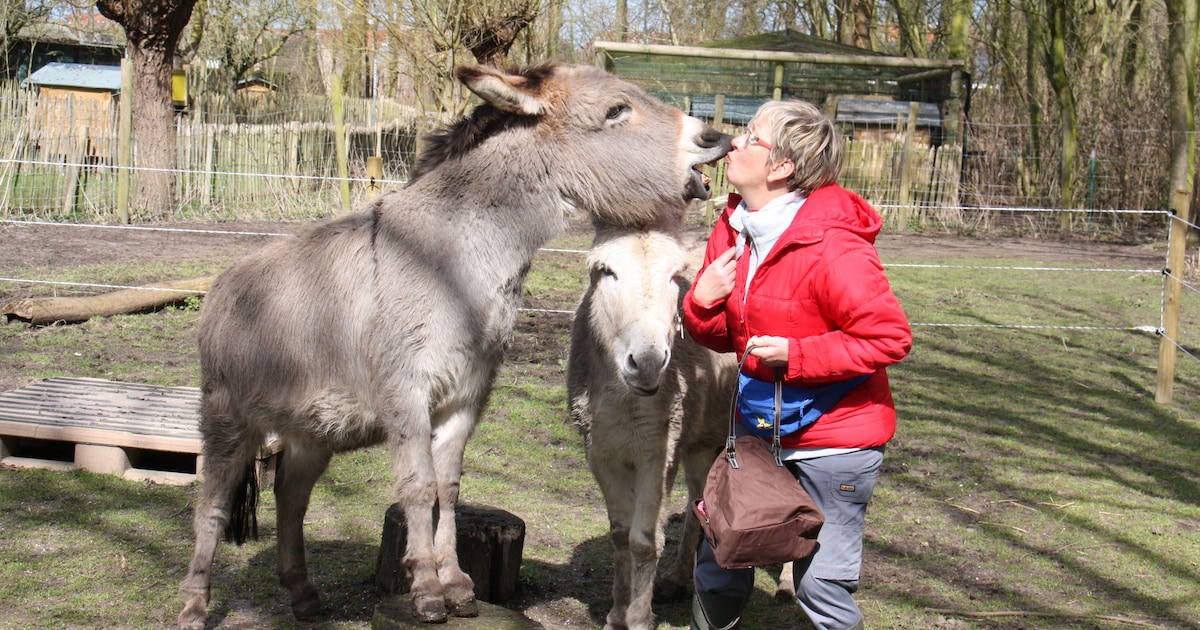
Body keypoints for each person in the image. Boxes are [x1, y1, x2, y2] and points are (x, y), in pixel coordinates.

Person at [682, 100, 912, 630]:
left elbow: (889, 338)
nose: (733, 143)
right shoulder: (733, 228)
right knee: (721, 554)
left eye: (750, 138)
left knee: (819, 583)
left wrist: (798, 355)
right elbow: (724, 338)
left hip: (837, 441)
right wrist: (702, 300)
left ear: (781, 167)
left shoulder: (833, 246)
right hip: (758, 428)